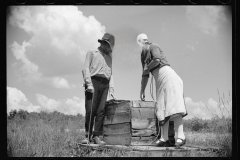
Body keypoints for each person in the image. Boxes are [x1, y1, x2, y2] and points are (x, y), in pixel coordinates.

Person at [136, 33, 188, 147]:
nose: (144, 43)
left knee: (174, 105)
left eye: (145, 41)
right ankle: (163, 138)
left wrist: (147, 67)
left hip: (168, 76)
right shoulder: (143, 56)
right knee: (161, 107)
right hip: (159, 80)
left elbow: (157, 59)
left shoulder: (153, 46)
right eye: (141, 42)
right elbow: (145, 75)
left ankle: (181, 136)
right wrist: (142, 90)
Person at [81, 33, 115, 145]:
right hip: (93, 82)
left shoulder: (109, 58)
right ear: (103, 43)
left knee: (101, 111)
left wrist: (112, 89)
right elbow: (85, 68)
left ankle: (96, 136)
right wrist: (89, 84)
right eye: (107, 45)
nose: (108, 48)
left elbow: (111, 74)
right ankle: (87, 135)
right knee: (91, 110)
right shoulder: (92, 53)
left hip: (105, 84)